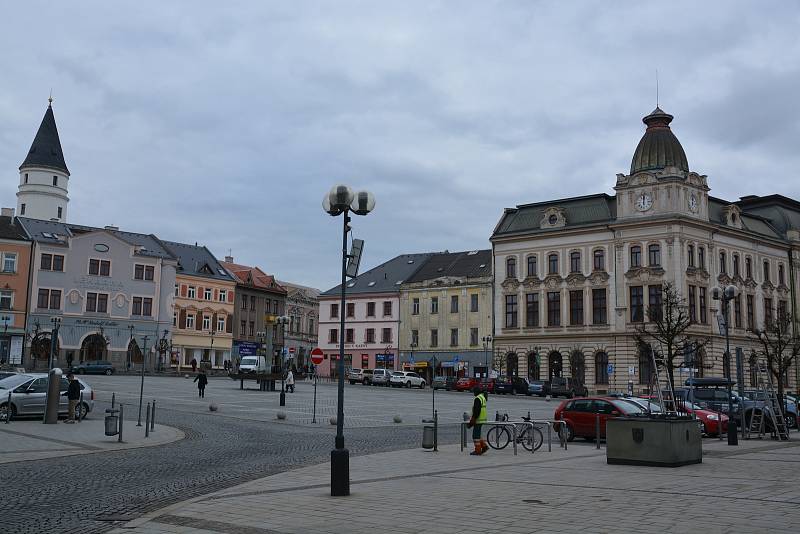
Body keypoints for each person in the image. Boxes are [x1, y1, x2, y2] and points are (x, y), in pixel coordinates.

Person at [467, 386, 489, 455]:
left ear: (476, 392)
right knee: (478, 435)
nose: (473, 393)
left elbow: (477, 411)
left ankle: (478, 450)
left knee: (475, 436)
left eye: (474, 391)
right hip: (482, 419)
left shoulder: (478, 398)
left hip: (478, 419)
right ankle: (484, 446)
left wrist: (472, 420)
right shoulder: (482, 397)